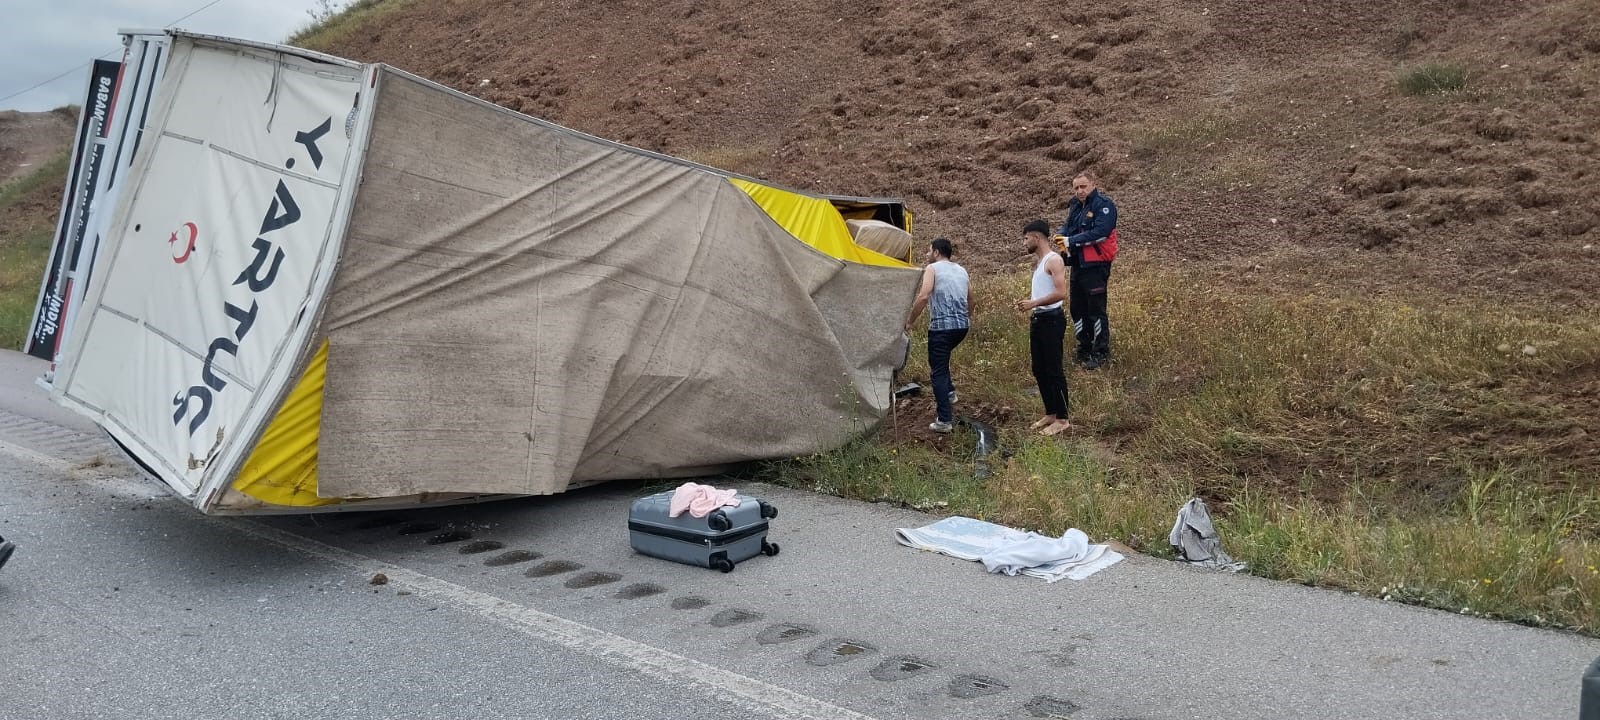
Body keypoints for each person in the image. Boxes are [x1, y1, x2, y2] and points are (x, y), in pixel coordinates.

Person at [905, 237, 972, 434]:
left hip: (942, 328)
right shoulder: (961, 270)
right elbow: (972, 299)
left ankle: (944, 420)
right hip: (961, 328)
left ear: (936, 252)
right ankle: (950, 393)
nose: (927, 255)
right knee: (941, 362)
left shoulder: (932, 269)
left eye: (928, 251)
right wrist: (965, 318)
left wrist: (910, 321)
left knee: (938, 372)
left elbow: (924, 296)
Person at [1055, 171, 1119, 370]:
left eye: (1083, 186)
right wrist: (1061, 235)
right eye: (1076, 188)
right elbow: (1068, 226)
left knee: (1096, 310)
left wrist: (1071, 241)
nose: (1079, 191)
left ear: (1093, 184)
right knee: (1077, 309)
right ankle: (1083, 347)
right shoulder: (1075, 206)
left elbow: (1101, 233)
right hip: (1078, 264)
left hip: (1096, 265)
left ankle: (1100, 352)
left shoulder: (1104, 205)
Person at [1015, 220, 1071, 436]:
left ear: (1037, 238)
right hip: (1039, 319)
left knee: (1054, 369)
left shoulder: (1054, 260)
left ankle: (1063, 418)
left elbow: (1061, 293)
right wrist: (1030, 303)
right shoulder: (1040, 263)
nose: (1024, 242)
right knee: (1039, 368)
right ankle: (1051, 412)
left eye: (1026, 238)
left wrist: (1034, 303)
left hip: (1051, 320)